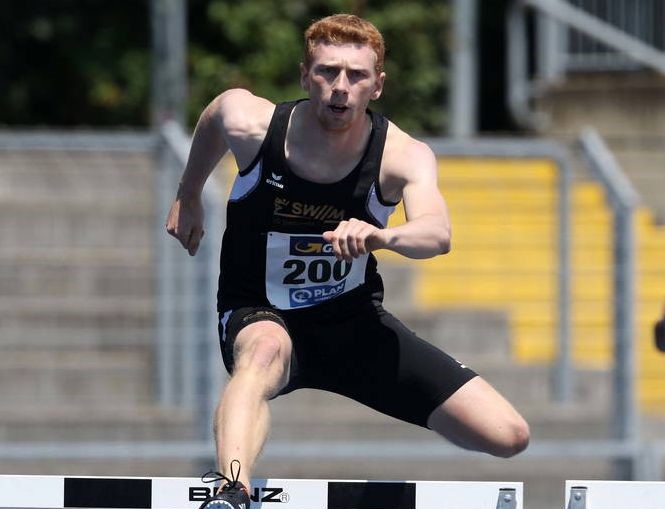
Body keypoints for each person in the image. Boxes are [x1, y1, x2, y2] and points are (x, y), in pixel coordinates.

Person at [166, 13, 530, 509]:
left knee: (508, 434)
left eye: (356, 75)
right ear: (304, 76)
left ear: (377, 85)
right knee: (264, 351)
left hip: (351, 323)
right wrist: (188, 192)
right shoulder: (255, 127)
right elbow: (218, 110)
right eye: (327, 71)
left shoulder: (401, 155)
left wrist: (382, 235)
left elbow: (437, 233)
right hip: (261, 312)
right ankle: (233, 492)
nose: (340, 87)